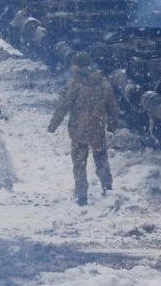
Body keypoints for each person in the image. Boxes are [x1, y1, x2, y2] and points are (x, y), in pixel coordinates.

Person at [48, 51, 118, 206]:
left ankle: (81, 196)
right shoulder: (102, 83)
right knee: (101, 159)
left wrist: (53, 124)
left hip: (79, 130)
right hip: (97, 129)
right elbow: (112, 106)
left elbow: (63, 106)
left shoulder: (74, 84)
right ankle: (108, 188)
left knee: (79, 164)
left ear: (76, 66)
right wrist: (112, 124)